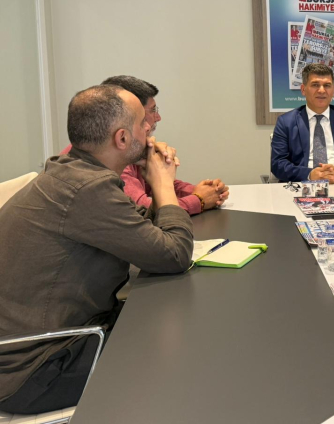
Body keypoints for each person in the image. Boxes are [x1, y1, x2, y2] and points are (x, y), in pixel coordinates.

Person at [0, 85, 194, 414]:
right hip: (36, 371)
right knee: (184, 350)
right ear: (122, 138)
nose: (150, 128)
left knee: (168, 321)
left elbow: (140, 228)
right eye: (143, 122)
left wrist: (155, 182)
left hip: (34, 350)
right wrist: (162, 184)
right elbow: (174, 255)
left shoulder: (70, 171)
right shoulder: (87, 189)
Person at [61, 75, 228, 214]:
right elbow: (143, 212)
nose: (156, 119)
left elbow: (152, 189)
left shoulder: (129, 149)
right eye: (151, 111)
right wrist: (199, 200)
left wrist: (203, 191)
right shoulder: (109, 157)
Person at [271, 63, 334, 183]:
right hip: (303, 184)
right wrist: (309, 174)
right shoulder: (285, 122)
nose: (322, 90)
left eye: (327, 85)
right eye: (315, 85)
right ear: (303, 89)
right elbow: (278, 164)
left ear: (333, 90)